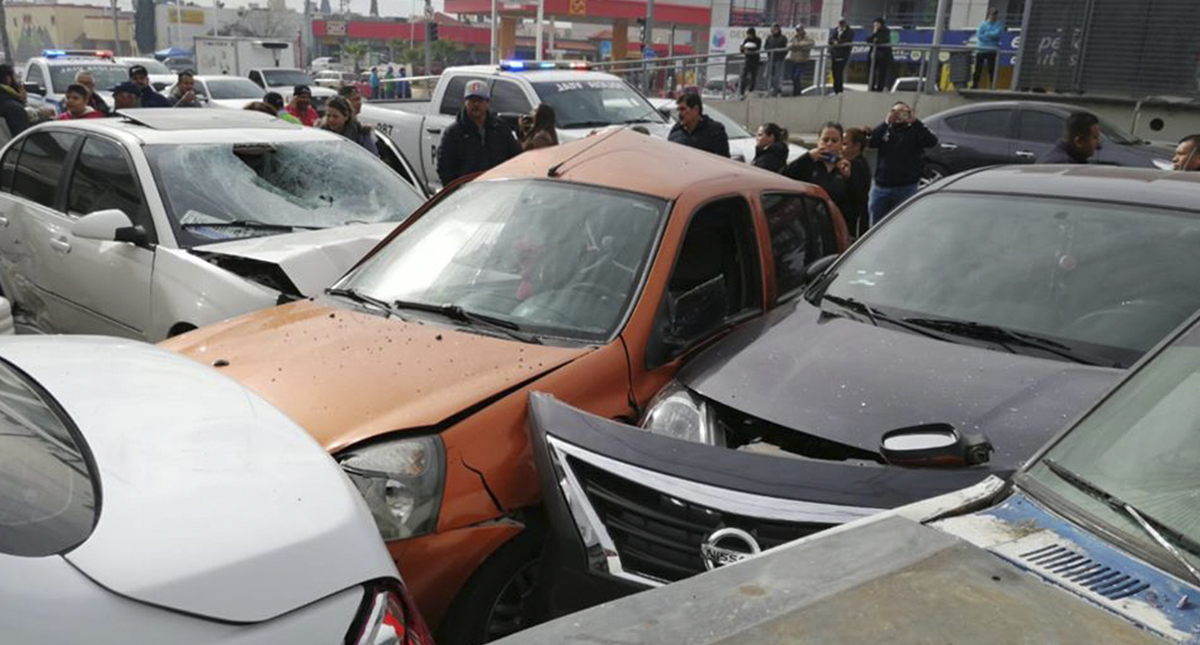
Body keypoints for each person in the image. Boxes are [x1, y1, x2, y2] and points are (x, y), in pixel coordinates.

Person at [436, 79, 522, 186]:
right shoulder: (453, 133)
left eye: (480, 100)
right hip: (468, 191)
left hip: (498, 189)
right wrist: (457, 190)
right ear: (465, 103)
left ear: (487, 103)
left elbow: (515, 158)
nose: (475, 104)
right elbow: (445, 168)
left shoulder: (500, 128)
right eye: (471, 100)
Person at [867, 102, 938, 225]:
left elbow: (932, 141)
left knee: (904, 224)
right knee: (877, 224)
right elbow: (871, 142)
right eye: (896, 112)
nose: (900, 116)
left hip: (906, 187)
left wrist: (915, 122)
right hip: (881, 187)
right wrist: (886, 122)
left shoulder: (915, 130)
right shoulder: (885, 130)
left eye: (904, 112)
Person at [784, 123, 858, 221]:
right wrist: (808, 157)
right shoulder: (808, 163)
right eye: (825, 140)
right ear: (818, 141)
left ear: (841, 144)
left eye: (834, 141)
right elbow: (783, 177)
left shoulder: (844, 167)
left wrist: (848, 178)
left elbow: (855, 203)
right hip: (805, 220)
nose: (829, 144)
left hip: (831, 222)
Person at [667, 92, 730, 157]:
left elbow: (724, 160)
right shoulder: (676, 131)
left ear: (696, 110)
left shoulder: (715, 132)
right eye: (678, 110)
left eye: (683, 109)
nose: (680, 114)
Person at [840, 127, 873, 237]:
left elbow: (857, 193)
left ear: (857, 146)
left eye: (845, 144)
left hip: (854, 219)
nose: (841, 147)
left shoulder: (857, 166)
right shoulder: (851, 163)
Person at [972, 8, 1004, 89]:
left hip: (992, 50)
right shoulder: (983, 24)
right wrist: (990, 39)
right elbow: (979, 35)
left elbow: (998, 34)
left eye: (995, 14)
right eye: (992, 14)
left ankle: (992, 85)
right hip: (981, 49)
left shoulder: (999, 24)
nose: (993, 16)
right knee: (978, 68)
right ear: (989, 15)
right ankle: (975, 84)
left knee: (992, 69)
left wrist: (987, 34)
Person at [0, 64, 31, 138]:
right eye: (15, 78)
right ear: (8, 79)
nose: (19, 83)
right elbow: (22, 139)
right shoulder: (14, 109)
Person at [866, 18, 893, 92]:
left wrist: (876, 40)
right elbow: (868, 40)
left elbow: (884, 40)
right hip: (873, 54)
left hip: (883, 55)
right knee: (872, 71)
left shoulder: (886, 31)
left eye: (877, 24)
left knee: (882, 72)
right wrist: (874, 33)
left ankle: (880, 87)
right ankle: (871, 86)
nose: (876, 25)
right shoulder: (873, 30)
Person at [787, 26, 814, 97]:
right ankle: (795, 91)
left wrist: (798, 44)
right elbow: (788, 45)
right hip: (793, 60)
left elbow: (810, 43)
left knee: (797, 76)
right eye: (797, 30)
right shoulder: (794, 37)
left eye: (799, 30)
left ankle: (798, 92)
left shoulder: (807, 38)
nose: (798, 32)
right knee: (792, 77)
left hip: (802, 60)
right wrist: (794, 45)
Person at [829, 18, 854, 94]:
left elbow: (848, 40)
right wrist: (834, 41)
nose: (841, 25)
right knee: (834, 71)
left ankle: (839, 89)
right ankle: (835, 89)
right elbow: (830, 39)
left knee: (839, 72)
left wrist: (839, 42)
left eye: (842, 23)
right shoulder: (836, 30)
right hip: (835, 54)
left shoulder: (849, 31)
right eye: (840, 23)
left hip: (843, 54)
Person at [764, 24, 788, 97]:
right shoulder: (769, 38)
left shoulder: (783, 38)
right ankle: (770, 88)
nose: (774, 30)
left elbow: (785, 48)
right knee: (768, 75)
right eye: (773, 29)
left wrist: (781, 55)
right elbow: (766, 46)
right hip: (771, 59)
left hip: (779, 59)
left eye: (775, 29)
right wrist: (769, 53)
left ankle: (776, 89)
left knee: (777, 75)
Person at [740, 28, 763, 98]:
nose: (748, 36)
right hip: (748, 60)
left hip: (755, 60)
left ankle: (751, 89)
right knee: (744, 75)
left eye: (749, 34)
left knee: (753, 76)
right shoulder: (746, 40)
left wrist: (750, 50)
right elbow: (743, 49)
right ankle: (742, 91)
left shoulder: (758, 40)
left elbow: (757, 48)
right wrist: (743, 49)